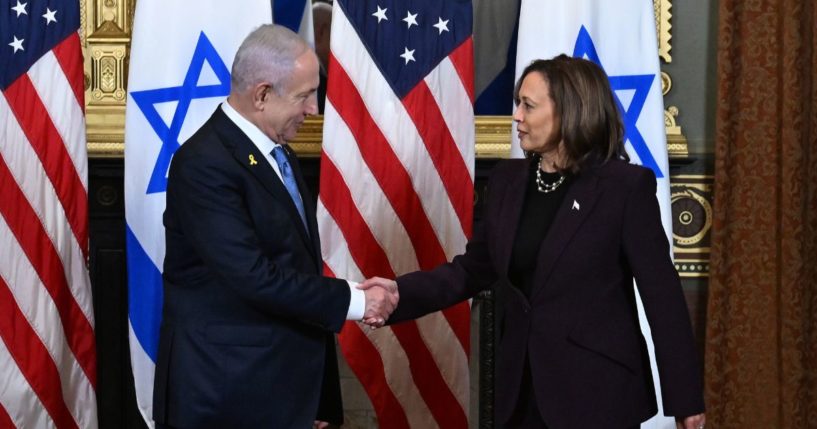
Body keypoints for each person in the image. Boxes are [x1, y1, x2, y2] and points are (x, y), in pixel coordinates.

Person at [362, 55, 706, 429]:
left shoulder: (623, 188)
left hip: (597, 395)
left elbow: (663, 298)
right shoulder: (509, 181)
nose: (517, 117)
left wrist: (685, 401)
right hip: (521, 391)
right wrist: (399, 294)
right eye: (517, 104)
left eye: (528, 105)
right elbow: (471, 271)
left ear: (569, 111)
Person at [153, 24, 397, 429]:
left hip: (282, 391)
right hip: (228, 396)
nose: (314, 109)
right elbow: (254, 277)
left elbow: (292, 265)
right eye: (304, 96)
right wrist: (355, 301)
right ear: (262, 95)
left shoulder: (276, 150)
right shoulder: (203, 164)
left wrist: (315, 403)